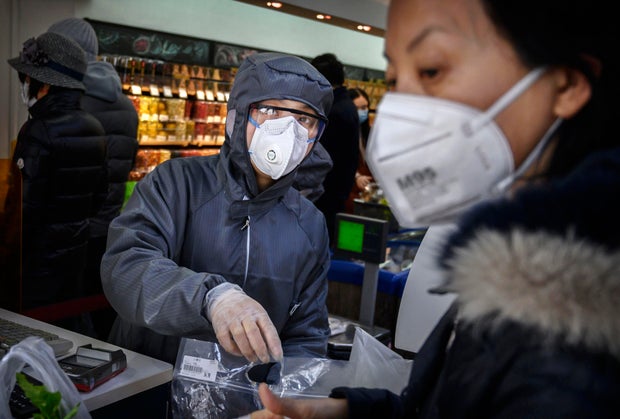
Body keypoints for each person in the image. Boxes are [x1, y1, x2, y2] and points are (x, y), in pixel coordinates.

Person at [251, 0, 620, 417]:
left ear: (565, 85)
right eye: (394, 78)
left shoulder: (587, 323)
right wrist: (344, 413)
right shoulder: (518, 259)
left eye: (430, 70)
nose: (403, 106)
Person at [100, 52, 334, 365]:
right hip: (151, 380)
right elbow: (126, 268)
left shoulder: (309, 224)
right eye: (269, 110)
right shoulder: (175, 184)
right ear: (236, 117)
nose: (287, 130)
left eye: (304, 119)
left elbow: (307, 334)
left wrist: (288, 396)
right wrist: (211, 298)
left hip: (247, 404)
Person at [2, 32, 107, 322]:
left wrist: (7, 256)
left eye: (26, 78)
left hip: (35, 265)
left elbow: (22, 210)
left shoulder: (37, 131)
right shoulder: (95, 128)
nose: (24, 85)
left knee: (25, 335)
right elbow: (99, 198)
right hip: (74, 256)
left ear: (44, 84)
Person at [48, 17, 139, 339]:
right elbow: (125, 164)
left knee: (63, 321)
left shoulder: (68, 102)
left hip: (69, 233)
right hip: (108, 225)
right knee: (100, 310)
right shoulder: (126, 104)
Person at [310, 53, 360, 246]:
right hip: (336, 192)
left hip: (327, 194)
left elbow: (323, 158)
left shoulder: (334, 110)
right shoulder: (345, 105)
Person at [345, 87, 374, 213]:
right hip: (350, 190)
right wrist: (356, 177)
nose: (365, 111)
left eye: (366, 107)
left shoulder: (367, 132)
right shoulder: (343, 131)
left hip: (368, 189)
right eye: (360, 108)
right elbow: (341, 160)